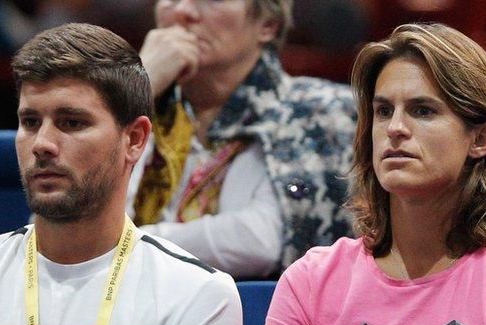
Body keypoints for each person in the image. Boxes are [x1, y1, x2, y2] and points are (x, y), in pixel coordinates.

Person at [264, 23, 486, 325]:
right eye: (384, 111)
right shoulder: (310, 281)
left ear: (480, 138)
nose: (395, 127)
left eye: (423, 111)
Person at [0, 23, 242, 325]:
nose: (41, 144)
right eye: (30, 122)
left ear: (134, 139)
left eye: (71, 122)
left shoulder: (197, 293)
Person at [126, 0, 357, 279]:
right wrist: (138, 87)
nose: (183, 10)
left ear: (267, 25)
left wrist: (122, 245)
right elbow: (81, 212)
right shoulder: (136, 111)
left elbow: (259, 242)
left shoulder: (322, 111)